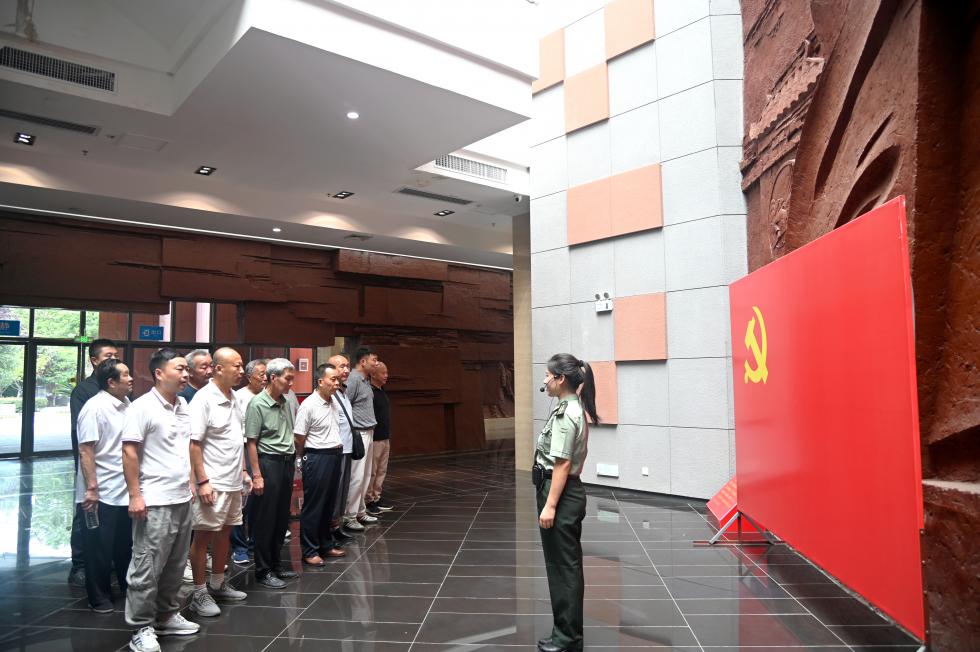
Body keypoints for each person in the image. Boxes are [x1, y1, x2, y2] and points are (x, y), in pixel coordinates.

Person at [122, 348, 200, 652]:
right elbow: (129, 451)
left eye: (186, 370)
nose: (185, 374)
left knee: (175, 565)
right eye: (179, 369)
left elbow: (186, 448)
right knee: (147, 567)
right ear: (158, 373)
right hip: (154, 499)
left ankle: (167, 616)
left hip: (181, 497)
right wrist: (135, 495)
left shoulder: (183, 405)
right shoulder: (142, 407)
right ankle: (141, 626)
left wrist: (191, 482)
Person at [535, 353, 597, 652]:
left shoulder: (566, 414)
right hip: (564, 491)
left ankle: (567, 639)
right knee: (564, 566)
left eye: (548, 375)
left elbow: (561, 464)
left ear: (561, 379)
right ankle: (565, 633)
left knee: (563, 568)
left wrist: (550, 505)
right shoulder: (573, 407)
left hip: (559, 492)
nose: (545, 380)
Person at [187, 348, 250, 617]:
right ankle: (199, 592)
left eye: (242, 365)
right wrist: (202, 481)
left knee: (225, 532)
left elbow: (238, 440)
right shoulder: (203, 399)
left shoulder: (234, 397)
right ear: (218, 368)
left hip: (233, 480)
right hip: (213, 481)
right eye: (236, 365)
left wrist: (244, 471)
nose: (241, 370)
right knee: (203, 536)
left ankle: (218, 583)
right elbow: (194, 444)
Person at [75, 357, 132, 613]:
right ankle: (98, 597)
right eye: (125, 375)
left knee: (124, 545)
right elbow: (86, 450)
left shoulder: (127, 404)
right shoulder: (94, 408)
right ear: (111, 382)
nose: (131, 378)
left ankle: (128, 588)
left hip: (124, 489)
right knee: (98, 547)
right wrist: (91, 488)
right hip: (101, 491)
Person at [68, 338, 119, 587]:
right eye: (109, 356)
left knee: (109, 518)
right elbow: (83, 437)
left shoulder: (117, 390)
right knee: (86, 513)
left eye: (116, 356)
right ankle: (79, 565)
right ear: (94, 360)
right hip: (92, 463)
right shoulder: (84, 391)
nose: (114, 360)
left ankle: (106, 562)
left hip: (114, 467)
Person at [244, 358, 298, 589]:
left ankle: (276, 564)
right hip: (268, 463)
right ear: (273, 377)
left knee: (281, 517)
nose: (291, 384)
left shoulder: (285, 401)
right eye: (288, 379)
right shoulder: (257, 403)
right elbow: (251, 442)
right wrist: (257, 475)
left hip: (286, 463)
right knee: (265, 519)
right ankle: (263, 570)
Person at [294, 363, 347, 564]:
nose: (337, 383)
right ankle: (309, 551)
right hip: (317, 457)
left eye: (337, 379)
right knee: (314, 506)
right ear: (320, 381)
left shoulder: (334, 401)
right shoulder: (309, 405)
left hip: (334, 454)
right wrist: (302, 458)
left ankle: (326, 544)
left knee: (328, 504)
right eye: (333, 379)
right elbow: (299, 437)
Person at [230, 358, 267, 565]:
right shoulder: (240, 397)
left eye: (267, 374)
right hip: (243, 450)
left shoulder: (267, 396)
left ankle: (254, 542)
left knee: (257, 500)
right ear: (249, 376)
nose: (265, 378)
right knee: (241, 500)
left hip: (262, 451)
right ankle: (239, 547)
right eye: (261, 374)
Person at [342, 347, 378, 531]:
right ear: (363, 362)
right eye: (374, 360)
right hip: (358, 433)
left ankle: (360, 511)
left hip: (368, 432)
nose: (376, 363)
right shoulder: (354, 379)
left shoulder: (365, 379)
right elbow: (345, 405)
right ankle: (349, 516)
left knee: (365, 476)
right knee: (356, 477)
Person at [328, 354, 355, 543]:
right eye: (341, 366)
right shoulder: (329, 393)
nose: (346, 370)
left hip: (347, 447)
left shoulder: (343, 391)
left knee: (343, 491)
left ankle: (336, 525)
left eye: (347, 366)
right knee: (335, 492)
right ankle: (330, 528)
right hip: (336, 449)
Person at [365, 361, 394, 515]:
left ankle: (377, 497)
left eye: (387, 373)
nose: (386, 376)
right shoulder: (369, 392)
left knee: (381, 470)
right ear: (373, 374)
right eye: (383, 373)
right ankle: (368, 500)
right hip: (374, 437)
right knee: (372, 471)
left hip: (385, 437)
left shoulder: (382, 391)